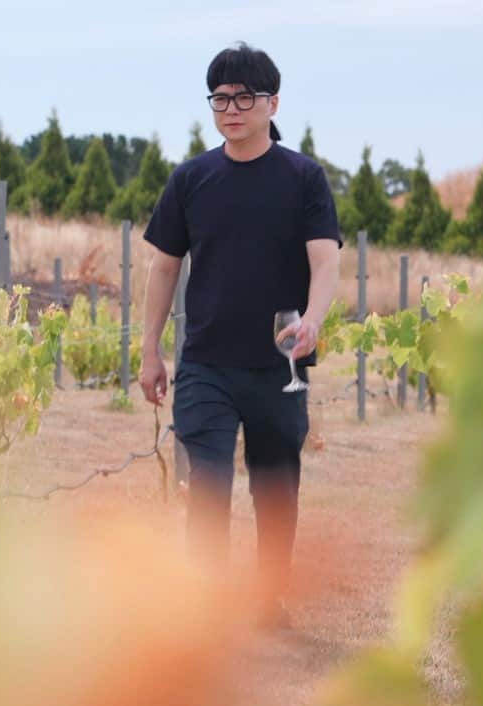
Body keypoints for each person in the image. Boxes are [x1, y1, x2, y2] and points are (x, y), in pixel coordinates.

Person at [139, 42, 342, 630]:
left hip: (279, 364)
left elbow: (325, 263)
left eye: (244, 97)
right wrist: (151, 351)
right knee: (208, 480)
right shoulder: (191, 179)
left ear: (272, 102)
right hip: (205, 363)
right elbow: (164, 267)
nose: (231, 109)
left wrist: (313, 319)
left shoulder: (303, 178)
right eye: (220, 98)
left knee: (276, 488)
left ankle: (267, 602)